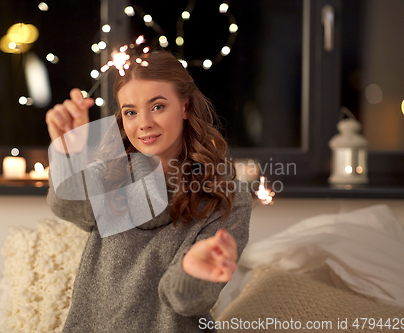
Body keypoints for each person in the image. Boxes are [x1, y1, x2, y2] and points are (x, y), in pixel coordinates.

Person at [45, 50, 252, 332]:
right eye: (130, 112)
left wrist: (191, 269)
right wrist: (67, 151)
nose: (143, 123)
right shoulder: (110, 173)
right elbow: (66, 206)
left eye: (157, 106)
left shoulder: (227, 198)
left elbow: (185, 302)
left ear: (186, 107)